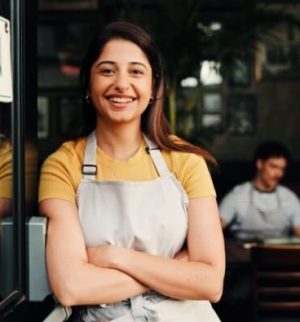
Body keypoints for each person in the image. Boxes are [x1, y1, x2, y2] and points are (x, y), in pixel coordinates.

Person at [39, 21, 225, 322]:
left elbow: (211, 283)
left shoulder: (186, 161)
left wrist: (113, 258)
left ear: (153, 87)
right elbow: (72, 286)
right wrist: (173, 272)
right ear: (88, 83)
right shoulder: (62, 164)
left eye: (136, 71)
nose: (122, 84)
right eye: (107, 70)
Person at [219, 141, 300, 240]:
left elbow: (298, 230)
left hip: (280, 253)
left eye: (282, 169)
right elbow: (215, 229)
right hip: (244, 254)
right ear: (260, 164)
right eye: (273, 166)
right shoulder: (238, 195)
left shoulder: (289, 198)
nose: (279, 174)